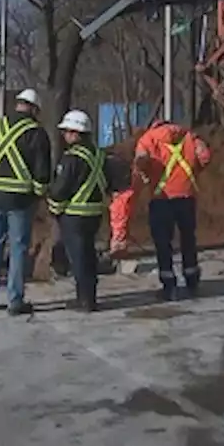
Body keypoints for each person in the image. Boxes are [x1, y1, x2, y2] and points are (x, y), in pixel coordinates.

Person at [0, 89, 51, 315]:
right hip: (20, 200)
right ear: (35, 109)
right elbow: (42, 172)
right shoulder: (36, 133)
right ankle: (14, 300)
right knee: (18, 248)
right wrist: (39, 194)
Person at [47, 109, 129, 313]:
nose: (65, 135)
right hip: (94, 215)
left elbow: (61, 189)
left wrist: (54, 209)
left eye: (67, 131)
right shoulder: (101, 156)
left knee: (79, 259)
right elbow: (111, 184)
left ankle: (84, 301)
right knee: (89, 256)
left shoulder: (71, 158)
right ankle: (89, 297)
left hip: (74, 217)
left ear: (76, 133)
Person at [134, 119, 212, 300]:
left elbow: (140, 161)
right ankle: (191, 276)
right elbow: (205, 157)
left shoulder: (148, 139)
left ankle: (169, 282)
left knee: (163, 242)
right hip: (187, 197)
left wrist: (146, 174)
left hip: (161, 198)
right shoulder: (190, 137)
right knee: (188, 237)